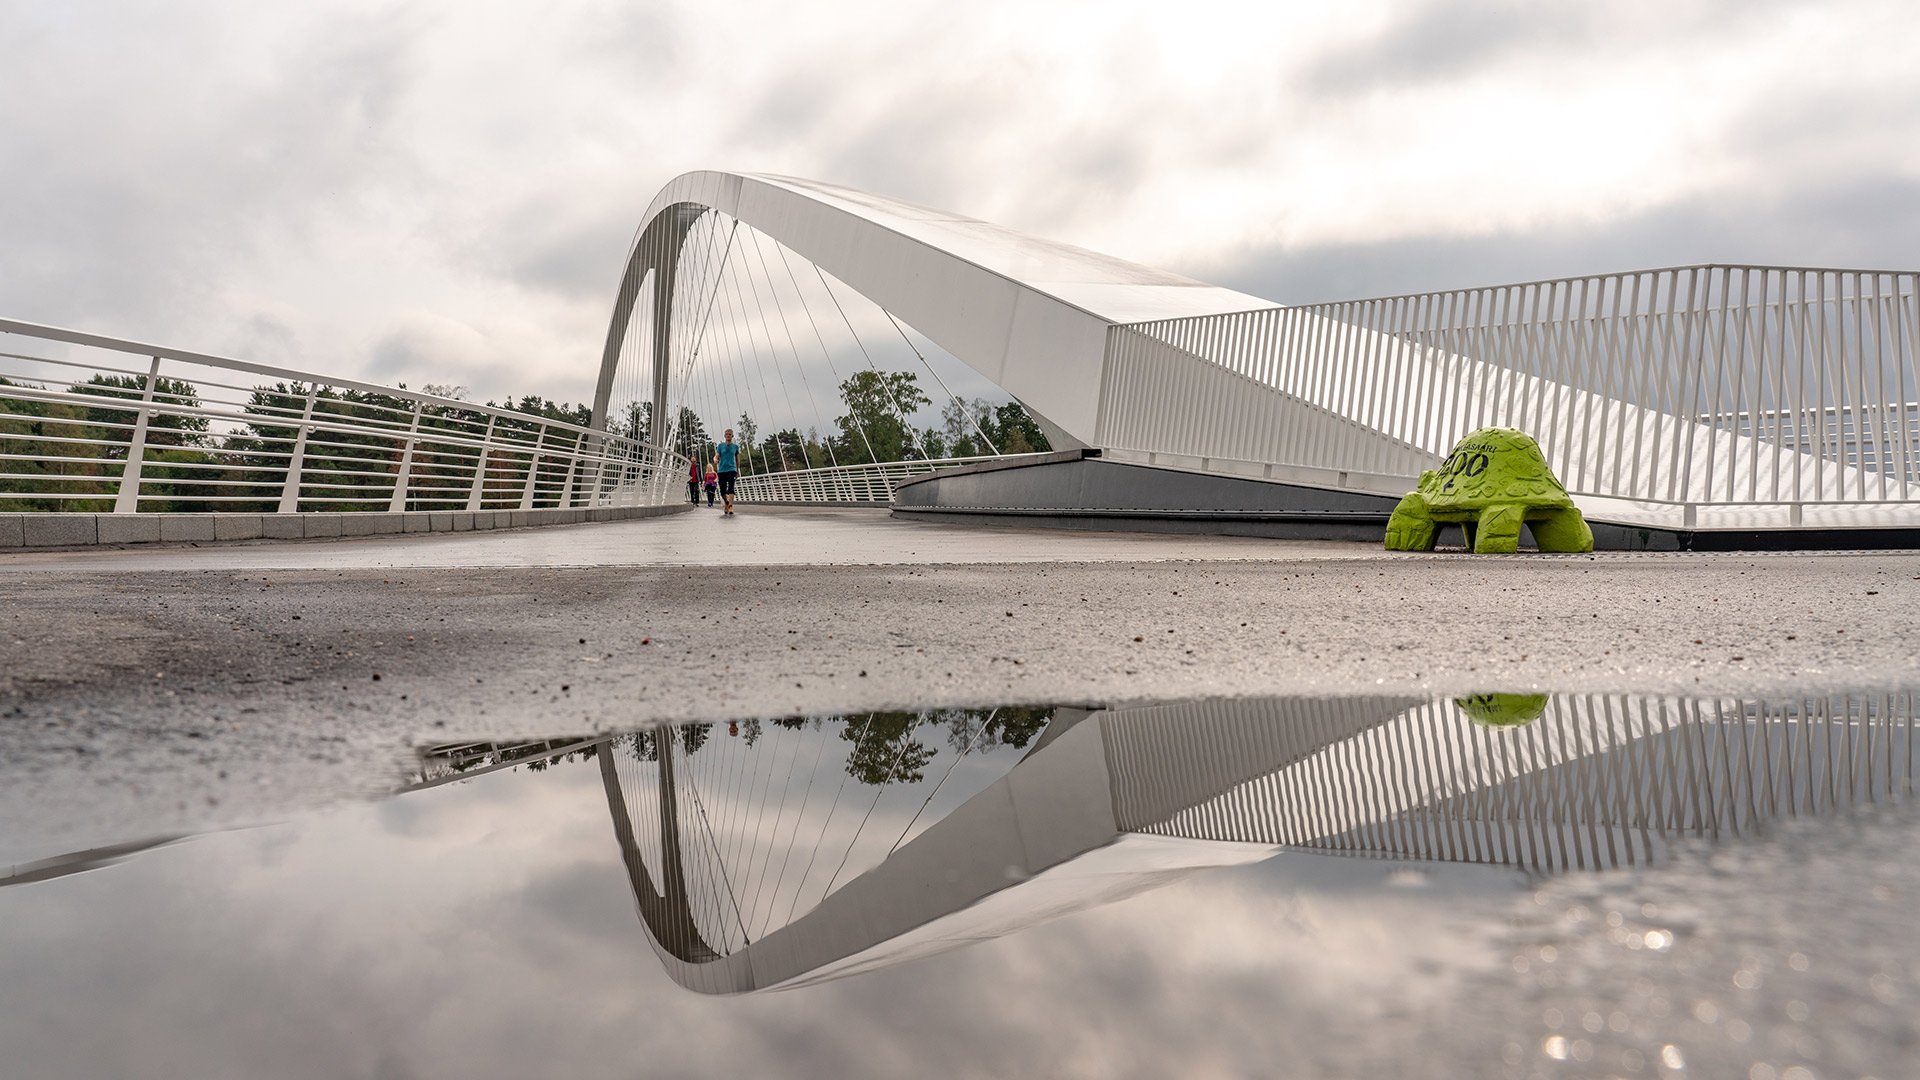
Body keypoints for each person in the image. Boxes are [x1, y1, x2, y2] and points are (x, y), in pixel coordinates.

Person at [716, 427, 741, 515]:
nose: (728, 436)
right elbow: (717, 455)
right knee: (723, 491)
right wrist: (715, 459)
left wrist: (737, 471)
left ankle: (730, 506)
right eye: (726, 434)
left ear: (732, 436)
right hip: (722, 470)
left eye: (730, 434)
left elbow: (737, 460)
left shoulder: (735, 447)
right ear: (724, 436)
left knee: (731, 488)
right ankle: (726, 502)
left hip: (732, 469)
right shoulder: (720, 446)